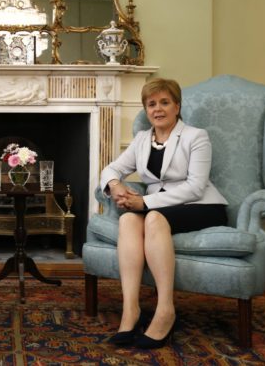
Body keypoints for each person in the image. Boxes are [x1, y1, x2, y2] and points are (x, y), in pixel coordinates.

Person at [100, 78, 228, 349]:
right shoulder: (142, 139)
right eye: (151, 104)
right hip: (162, 205)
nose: (158, 109)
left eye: (164, 102)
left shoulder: (196, 136)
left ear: (177, 106)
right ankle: (130, 309)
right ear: (146, 110)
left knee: (154, 217)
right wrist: (116, 186)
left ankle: (165, 310)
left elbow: (195, 187)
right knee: (127, 220)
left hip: (203, 207)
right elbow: (110, 169)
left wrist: (145, 202)